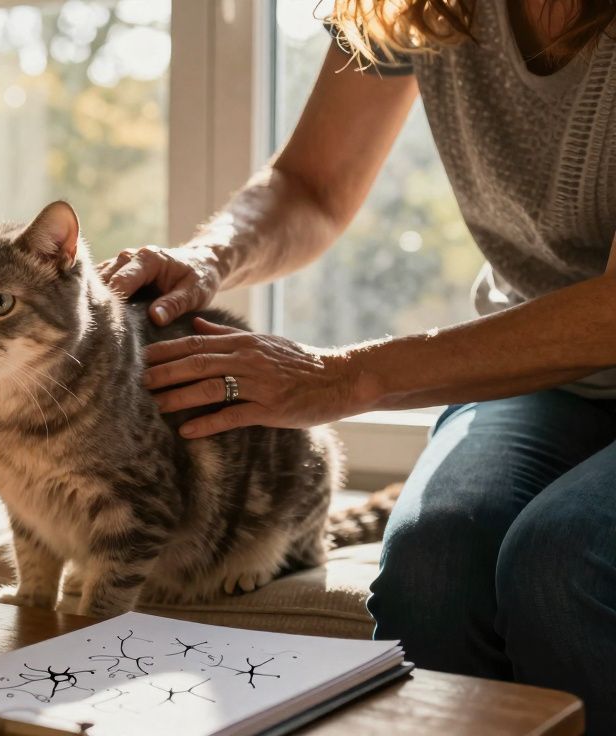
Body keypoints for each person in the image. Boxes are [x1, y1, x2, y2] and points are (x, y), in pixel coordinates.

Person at [103, 0, 616, 729]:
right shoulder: (415, 6)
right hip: (540, 376)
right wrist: (207, 258)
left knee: (562, 561)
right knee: (431, 563)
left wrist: (341, 376)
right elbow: (312, 183)